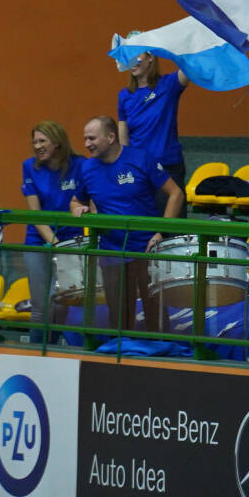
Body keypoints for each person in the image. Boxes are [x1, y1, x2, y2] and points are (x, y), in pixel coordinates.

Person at [71, 115, 186, 334]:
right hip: (111, 252)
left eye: (92, 138)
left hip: (147, 249)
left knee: (156, 319)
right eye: (85, 138)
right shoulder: (87, 168)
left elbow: (176, 194)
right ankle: (120, 353)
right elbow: (76, 200)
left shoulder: (141, 159)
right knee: (119, 319)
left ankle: (160, 352)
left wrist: (162, 232)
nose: (86, 144)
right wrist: (77, 208)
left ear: (111, 137)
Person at [19, 120, 85, 336]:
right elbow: (35, 214)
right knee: (41, 306)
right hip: (38, 241)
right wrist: (56, 244)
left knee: (62, 304)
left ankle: (55, 349)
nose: (37, 146)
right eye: (34, 142)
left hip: (72, 242)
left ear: (57, 142)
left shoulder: (81, 165)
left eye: (42, 141)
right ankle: (36, 351)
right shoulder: (29, 166)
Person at [118, 49, 191, 190]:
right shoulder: (124, 95)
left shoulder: (168, 85)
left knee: (171, 204)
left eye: (136, 55)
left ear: (150, 57)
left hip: (168, 166)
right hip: (139, 169)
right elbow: (123, 137)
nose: (132, 61)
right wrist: (126, 165)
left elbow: (190, 66)